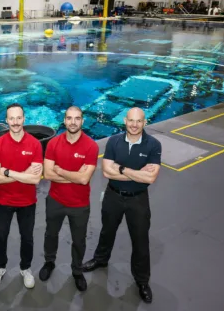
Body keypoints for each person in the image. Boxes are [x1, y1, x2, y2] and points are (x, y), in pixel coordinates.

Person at [81, 107, 161, 303]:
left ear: (145, 122)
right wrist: (137, 173)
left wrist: (122, 168)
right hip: (113, 196)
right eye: (131, 121)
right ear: (125, 120)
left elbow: (150, 178)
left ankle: (142, 281)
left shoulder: (153, 144)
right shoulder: (114, 141)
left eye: (139, 121)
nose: (134, 125)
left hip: (138, 199)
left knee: (140, 240)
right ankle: (100, 259)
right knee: (107, 231)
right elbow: (107, 172)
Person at [39, 106, 99, 291]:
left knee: (79, 240)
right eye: (70, 118)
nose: (73, 122)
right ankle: (49, 262)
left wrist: (61, 170)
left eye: (77, 118)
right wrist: (73, 175)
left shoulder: (91, 146)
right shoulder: (53, 143)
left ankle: (77, 270)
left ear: (82, 121)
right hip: (55, 200)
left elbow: (84, 179)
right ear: (64, 120)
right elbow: (48, 174)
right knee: (51, 234)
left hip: (79, 205)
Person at [0, 103, 43, 289]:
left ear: (24, 118)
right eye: (11, 118)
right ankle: (0, 266)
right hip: (3, 201)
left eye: (18, 118)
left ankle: (26, 268)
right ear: (6, 120)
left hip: (27, 202)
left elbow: (36, 180)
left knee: (27, 237)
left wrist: (8, 172)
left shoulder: (34, 144)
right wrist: (24, 174)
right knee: (1, 236)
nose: (15, 122)